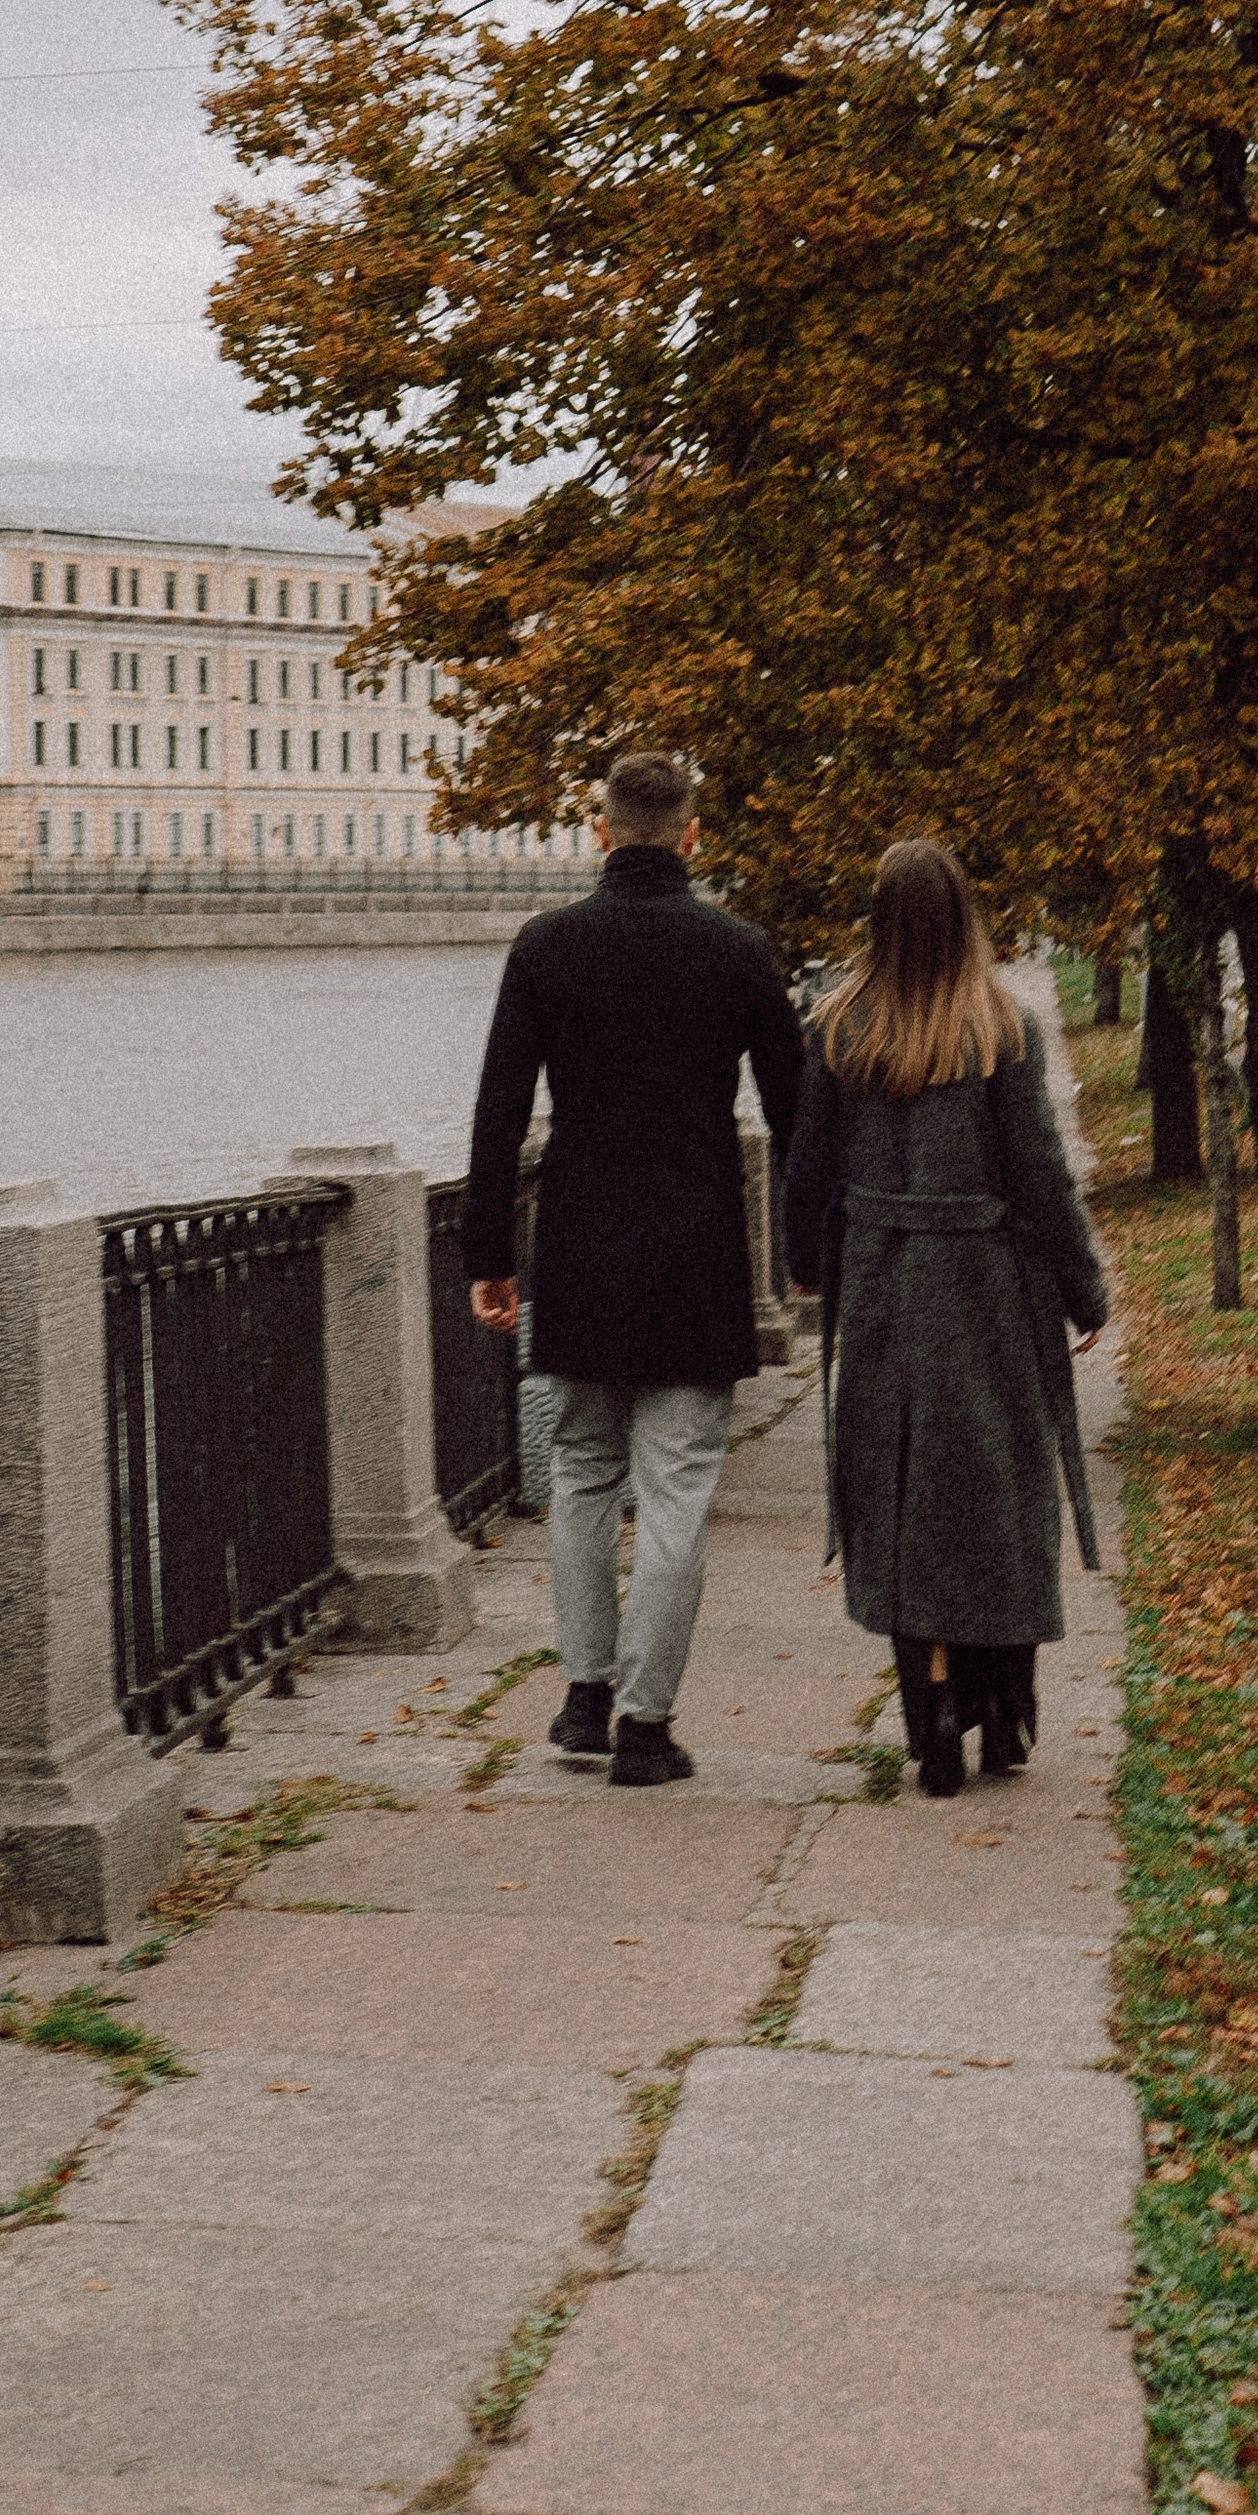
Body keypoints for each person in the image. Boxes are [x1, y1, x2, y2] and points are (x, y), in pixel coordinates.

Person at [462, 748, 804, 1786]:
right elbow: (797, 1116)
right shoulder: (741, 950)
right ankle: (645, 1728)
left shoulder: (545, 948)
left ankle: (581, 1699)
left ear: (599, 831)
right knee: (675, 1490)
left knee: (579, 1471)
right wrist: (807, 1250)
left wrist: (490, 1253)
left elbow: (499, 1110)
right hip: (697, 1249)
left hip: (576, 1241)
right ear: (692, 835)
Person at [783, 841, 1107, 1798]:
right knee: (998, 1502)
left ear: (878, 922)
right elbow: (1039, 1176)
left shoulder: (837, 1027)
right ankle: (1002, 1712)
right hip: (989, 1295)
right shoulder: (1000, 1028)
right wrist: (1083, 1290)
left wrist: (808, 1266)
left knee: (896, 1498)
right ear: (966, 915)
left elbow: (809, 1170)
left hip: (884, 1290)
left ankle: (930, 1726)